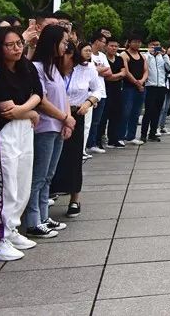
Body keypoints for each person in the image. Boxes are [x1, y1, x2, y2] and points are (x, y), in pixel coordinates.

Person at [0, 27, 42, 261]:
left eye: (18, 43)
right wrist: (30, 112)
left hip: (23, 129)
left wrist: (26, 111)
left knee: (22, 182)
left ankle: (11, 229)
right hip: (0, 134)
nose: (16, 48)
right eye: (10, 44)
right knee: (3, 187)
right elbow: (5, 109)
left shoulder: (26, 67)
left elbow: (38, 94)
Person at [28, 24, 73, 239]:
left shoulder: (54, 67)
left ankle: (44, 217)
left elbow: (62, 96)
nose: (66, 46)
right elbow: (42, 102)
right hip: (44, 128)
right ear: (52, 42)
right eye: (63, 42)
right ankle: (33, 221)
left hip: (57, 127)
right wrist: (65, 117)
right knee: (38, 176)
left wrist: (66, 120)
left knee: (48, 176)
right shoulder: (36, 67)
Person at [51, 41, 100, 219]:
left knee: (74, 157)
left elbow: (98, 89)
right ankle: (50, 192)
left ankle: (74, 198)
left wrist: (88, 103)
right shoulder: (52, 69)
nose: (67, 59)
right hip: (54, 116)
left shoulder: (86, 68)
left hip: (76, 114)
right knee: (52, 158)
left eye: (70, 55)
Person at [85, 31, 111, 154]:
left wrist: (96, 70)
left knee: (97, 120)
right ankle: (86, 144)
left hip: (101, 91)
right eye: (103, 42)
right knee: (88, 121)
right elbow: (87, 69)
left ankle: (93, 143)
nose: (105, 45)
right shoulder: (88, 53)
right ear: (96, 41)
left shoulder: (102, 56)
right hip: (89, 93)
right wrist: (97, 70)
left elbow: (108, 71)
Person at [139, 38, 169, 143]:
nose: (156, 47)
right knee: (148, 111)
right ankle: (143, 134)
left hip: (161, 86)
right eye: (154, 45)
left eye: (158, 45)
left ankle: (152, 133)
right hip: (150, 86)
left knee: (157, 111)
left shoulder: (162, 56)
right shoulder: (145, 56)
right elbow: (143, 67)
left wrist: (165, 55)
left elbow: (169, 68)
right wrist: (150, 53)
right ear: (149, 45)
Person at [121, 34, 148, 146]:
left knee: (136, 112)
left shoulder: (142, 56)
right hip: (128, 87)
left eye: (139, 42)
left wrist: (141, 81)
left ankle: (131, 136)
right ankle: (121, 136)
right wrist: (137, 83)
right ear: (129, 42)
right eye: (135, 42)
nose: (137, 44)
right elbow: (126, 72)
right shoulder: (124, 55)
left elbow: (146, 71)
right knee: (125, 112)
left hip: (141, 87)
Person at [102, 38, 126, 148]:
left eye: (116, 46)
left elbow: (124, 72)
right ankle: (99, 140)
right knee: (103, 116)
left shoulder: (119, 59)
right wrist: (118, 76)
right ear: (106, 46)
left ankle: (114, 139)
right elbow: (106, 77)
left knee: (116, 115)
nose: (114, 48)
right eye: (111, 46)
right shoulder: (102, 59)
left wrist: (114, 76)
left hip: (117, 90)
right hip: (105, 90)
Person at [158, 44, 170, 135]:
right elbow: (169, 68)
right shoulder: (162, 57)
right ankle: (157, 126)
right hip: (163, 84)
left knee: (166, 108)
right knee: (162, 107)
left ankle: (162, 126)